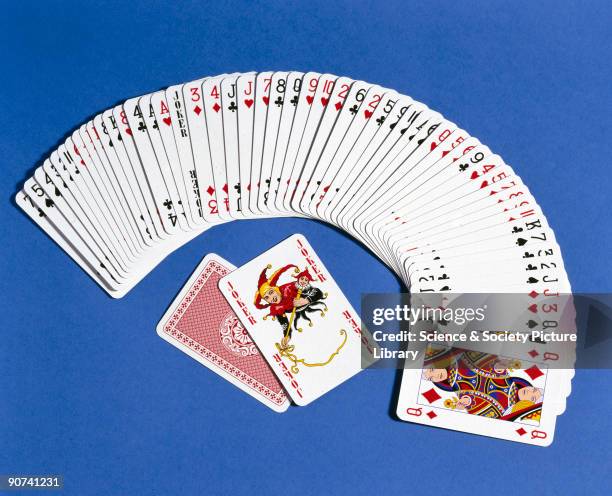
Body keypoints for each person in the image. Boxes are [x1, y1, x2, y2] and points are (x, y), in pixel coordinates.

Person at [254, 265, 327, 348]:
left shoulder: (289, 287)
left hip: (309, 302)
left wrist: (306, 300)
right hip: (298, 313)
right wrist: (287, 336)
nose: (272, 298)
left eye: (271, 293)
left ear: (276, 289)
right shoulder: (275, 308)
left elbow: (318, 292)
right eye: (267, 298)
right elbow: (284, 323)